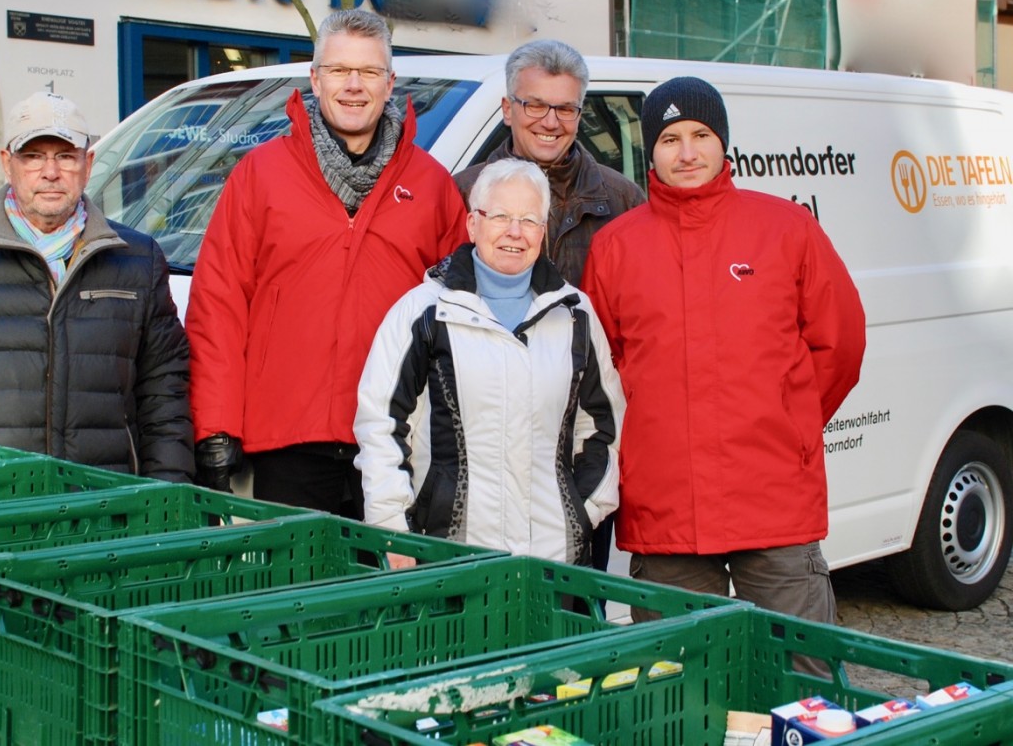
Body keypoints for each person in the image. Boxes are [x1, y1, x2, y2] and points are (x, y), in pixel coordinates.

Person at [582, 77, 866, 633]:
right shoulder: (616, 246)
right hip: (666, 504)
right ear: (651, 150)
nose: (686, 153)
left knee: (799, 668)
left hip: (773, 497)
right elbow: (601, 370)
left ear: (724, 143)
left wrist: (791, 420)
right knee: (682, 680)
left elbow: (841, 344)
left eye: (701, 134)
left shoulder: (787, 229)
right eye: (670, 140)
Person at [186, 10, 466, 515]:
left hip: (392, 441)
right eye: (339, 70)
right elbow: (218, 305)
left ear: (390, 83)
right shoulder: (261, 175)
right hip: (287, 440)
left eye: (369, 72)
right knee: (294, 592)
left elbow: (458, 320)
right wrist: (216, 425)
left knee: (381, 592)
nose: (353, 86)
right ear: (315, 79)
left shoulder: (431, 186)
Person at [0, 91, 193, 481]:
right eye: (33, 156)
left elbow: (164, 391)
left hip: (105, 502)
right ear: (7, 163)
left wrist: (166, 491)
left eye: (65, 156)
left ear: (88, 165)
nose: (50, 172)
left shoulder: (138, 258)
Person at [355, 159, 625, 567]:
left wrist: (581, 512)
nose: (514, 232)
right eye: (499, 216)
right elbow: (381, 426)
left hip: (553, 562)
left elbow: (603, 425)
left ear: (543, 231)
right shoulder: (425, 312)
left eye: (529, 220)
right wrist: (394, 530)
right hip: (449, 557)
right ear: (472, 224)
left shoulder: (574, 314)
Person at [454, 39, 644, 573]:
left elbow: (639, 326)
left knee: (574, 610)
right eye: (535, 104)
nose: (550, 121)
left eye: (565, 108)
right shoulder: (461, 195)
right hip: (486, 451)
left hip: (582, 447)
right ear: (508, 108)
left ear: (581, 113)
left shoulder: (623, 202)